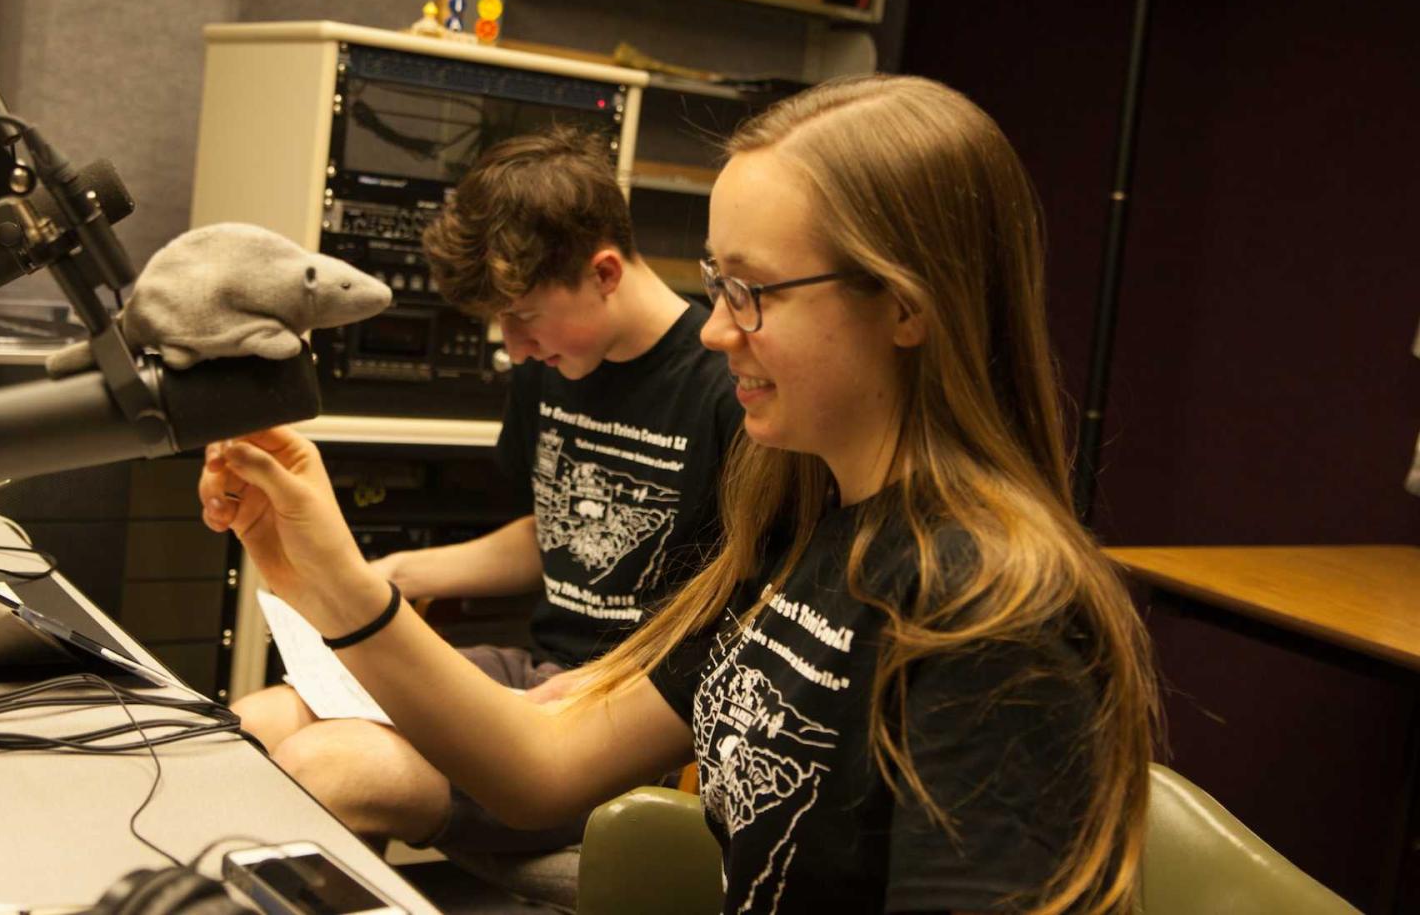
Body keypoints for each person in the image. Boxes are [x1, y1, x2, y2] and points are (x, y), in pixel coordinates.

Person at [201, 76, 1158, 913]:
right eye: (715, 281)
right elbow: (541, 769)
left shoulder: (991, 617)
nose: (713, 329)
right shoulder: (800, 543)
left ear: (905, 304)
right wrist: (331, 575)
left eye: (752, 290)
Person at [222, 127, 742, 851]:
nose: (514, 345)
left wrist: (609, 681)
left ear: (606, 272)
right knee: (253, 725)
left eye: (524, 315)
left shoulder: (726, 390)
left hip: (634, 718)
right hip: (535, 674)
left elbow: (751, 605)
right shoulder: (552, 363)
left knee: (325, 769)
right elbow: (553, 533)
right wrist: (395, 575)